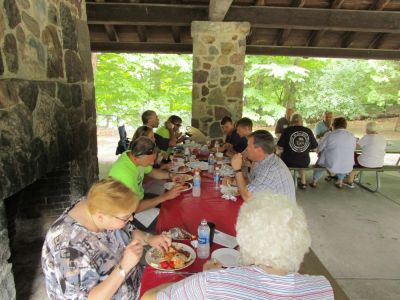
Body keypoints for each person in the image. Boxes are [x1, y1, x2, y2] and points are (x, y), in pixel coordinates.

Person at [141, 192, 334, 300]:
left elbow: (148, 298)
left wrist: (203, 277)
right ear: (301, 238)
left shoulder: (212, 284)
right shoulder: (323, 288)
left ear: (244, 240)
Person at [42, 178, 172, 300]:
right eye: (126, 217)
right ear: (100, 217)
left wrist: (149, 238)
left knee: (181, 281)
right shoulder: (70, 249)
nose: (131, 219)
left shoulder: (96, 206)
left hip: (137, 282)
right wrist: (124, 267)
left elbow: (127, 229)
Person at [108, 137, 184, 228]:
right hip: (126, 213)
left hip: (139, 198)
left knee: (172, 203)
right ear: (136, 158)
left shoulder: (132, 155)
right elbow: (135, 208)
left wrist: (171, 175)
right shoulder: (124, 175)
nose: (152, 163)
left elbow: (152, 172)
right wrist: (165, 196)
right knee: (168, 220)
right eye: (150, 160)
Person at [231, 130, 296, 202]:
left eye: (248, 146)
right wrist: (234, 181)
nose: (246, 149)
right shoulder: (260, 161)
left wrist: (237, 170)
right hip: (271, 206)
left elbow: (247, 197)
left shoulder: (270, 169)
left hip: (280, 212)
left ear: (259, 150)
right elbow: (251, 182)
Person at [310, 117, 356, 189]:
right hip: (348, 166)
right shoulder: (352, 136)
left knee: (320, 162)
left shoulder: (329, 135)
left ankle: (314, 181)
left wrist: (319, 151)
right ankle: (340, 181)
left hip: (331, 164)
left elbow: (318, 149)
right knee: (343, 158)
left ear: (333, 125)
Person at [277, 114, 318, 189]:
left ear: (291, 122)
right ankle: (303, 182)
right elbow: (315, 147)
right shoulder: (308, 131)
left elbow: (280, 146)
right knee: (301, 158)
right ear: (301, 121)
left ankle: (287, 182)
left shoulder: (287, 130)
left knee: (283, 158)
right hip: (304, 161)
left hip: (288, 161)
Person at [345, 121, 386, 188]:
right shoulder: (382, 137)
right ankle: (355, 175)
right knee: (359, 157)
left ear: (367, 129)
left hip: (366, 163)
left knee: (352, 156)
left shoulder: (367, 137)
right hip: (379, 163)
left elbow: (355, 147)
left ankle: (350, 181)